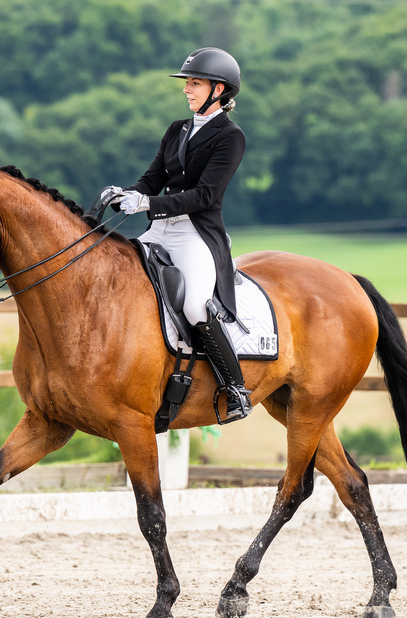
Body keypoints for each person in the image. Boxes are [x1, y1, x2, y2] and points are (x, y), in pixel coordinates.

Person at [102, 47, 251, 422]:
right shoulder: (177, 129)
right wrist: (128, 194)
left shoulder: (230, 137)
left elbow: (205, 196)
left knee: (196, 305)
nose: (187, 89)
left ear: (219, 90)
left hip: (196, 234)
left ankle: (235, 389)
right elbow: (153, 179)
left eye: (195, 84)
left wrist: (147, 205)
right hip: (160, 230)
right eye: (187, 83)